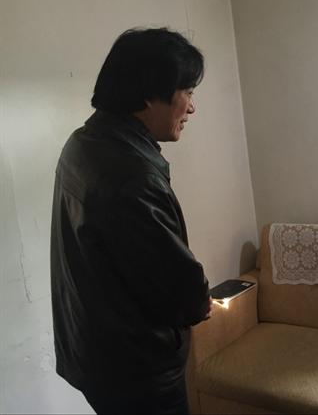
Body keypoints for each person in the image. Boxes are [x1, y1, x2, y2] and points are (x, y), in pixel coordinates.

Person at [50, 28, 212, 414]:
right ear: (149, 94)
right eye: (187, 92)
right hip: (137, 371)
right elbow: (182, 291)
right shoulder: (133, 176)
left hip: (93, 353)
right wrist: (200, 301)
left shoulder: (82, 143)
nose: (192, 108)